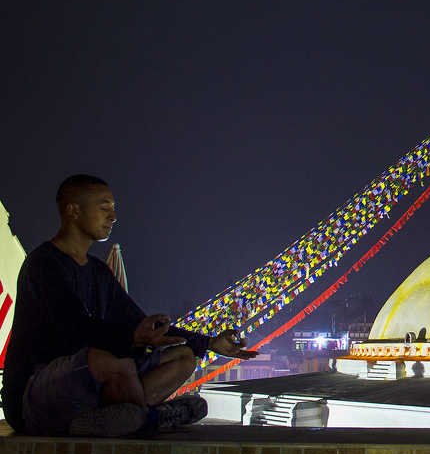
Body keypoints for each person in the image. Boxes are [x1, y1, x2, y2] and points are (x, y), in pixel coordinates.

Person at [0, 174, 258, 436]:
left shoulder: (98, 272)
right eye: (104, 208)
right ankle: (148, 419)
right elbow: (73, 329)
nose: (112, 217)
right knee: (108, 361)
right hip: (35, 393)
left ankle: (107, 419)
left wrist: (209, 343)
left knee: (183, 358)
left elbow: (137, 321)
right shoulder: (44, 265)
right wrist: (131, 338)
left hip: (90, 385)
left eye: (113, 209)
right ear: (73, 211)